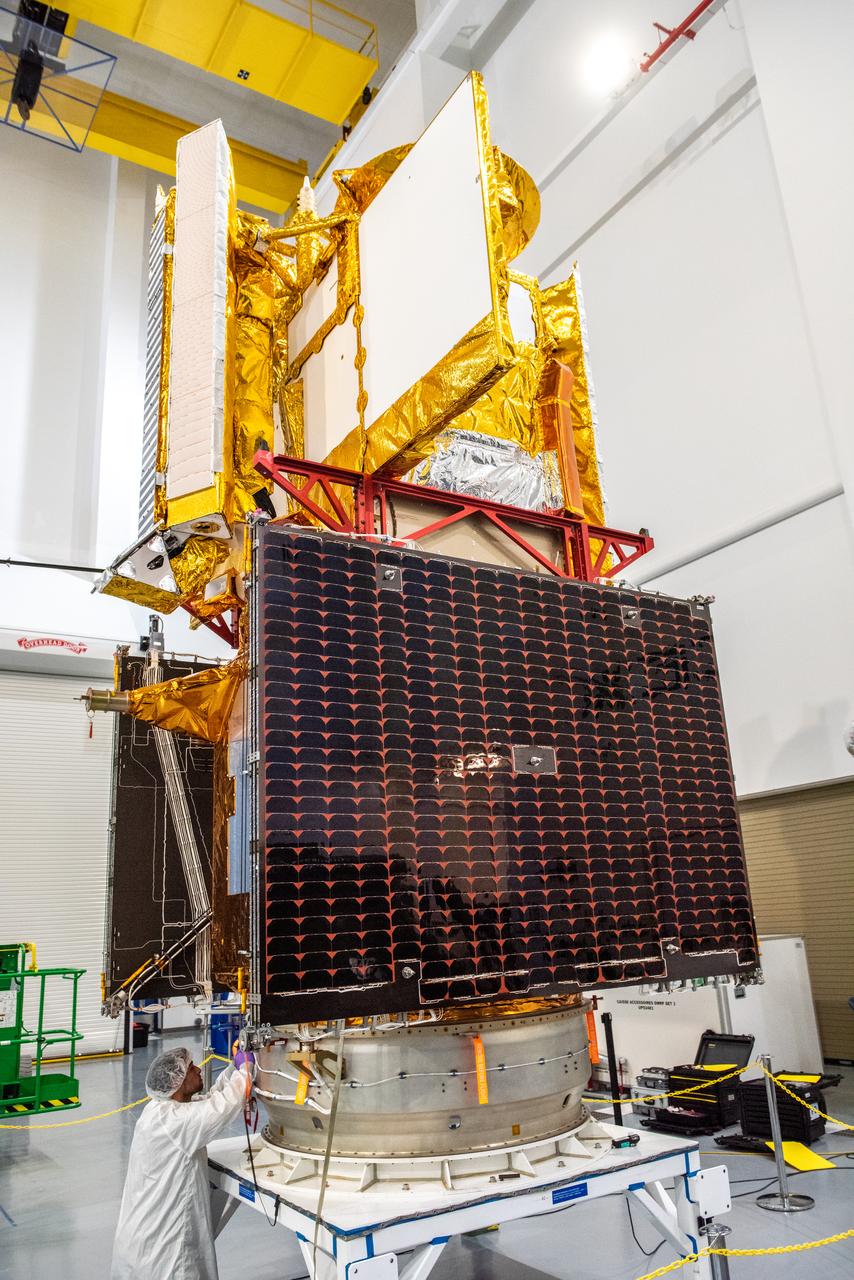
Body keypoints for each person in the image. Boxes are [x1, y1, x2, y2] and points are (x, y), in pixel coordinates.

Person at [111, 1045, 255, 1280]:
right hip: (165, 1254)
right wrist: (246, 1068)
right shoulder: (175, 1123)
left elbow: (210, 1100)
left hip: (140, 1241)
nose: (198, 1069)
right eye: (190, 1068)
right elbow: (223, 1106)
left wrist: (233, 1067)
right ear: (175, 1081)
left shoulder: (160, 1111)